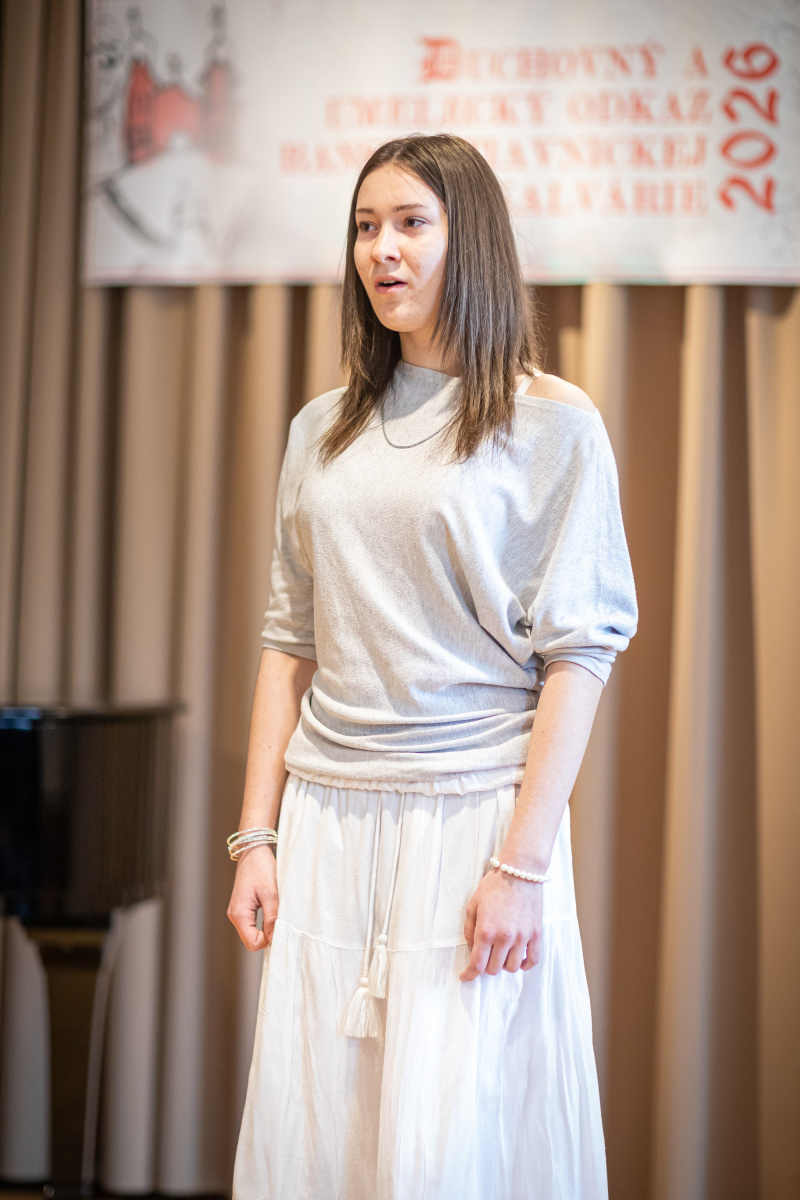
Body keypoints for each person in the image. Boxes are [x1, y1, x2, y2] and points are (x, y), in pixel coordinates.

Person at [228, 133, 637, 1200]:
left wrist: (521, 869)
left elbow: (580, 652)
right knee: (327, 1128)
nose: (382, 250)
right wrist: (256, 837)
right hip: (327, 817)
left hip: (472, 822)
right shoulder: (320, 430)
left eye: (411, 223)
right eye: (366, 227)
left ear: (472, 241)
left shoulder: (552, 422)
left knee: (452, 1138)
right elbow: (288, 639)